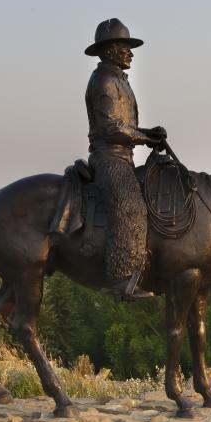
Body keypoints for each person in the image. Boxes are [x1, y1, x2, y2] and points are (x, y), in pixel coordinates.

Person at [85, 18, 166, 300]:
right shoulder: (106, 81)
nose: (130, 53)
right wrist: (145, 138)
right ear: (109, 50)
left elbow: (124, 125)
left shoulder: (119, 80)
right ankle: (121, 280)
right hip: (109, 159)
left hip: (123, 157)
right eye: (125, 47)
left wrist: (149, 133)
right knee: (130, 207)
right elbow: (110, 127)